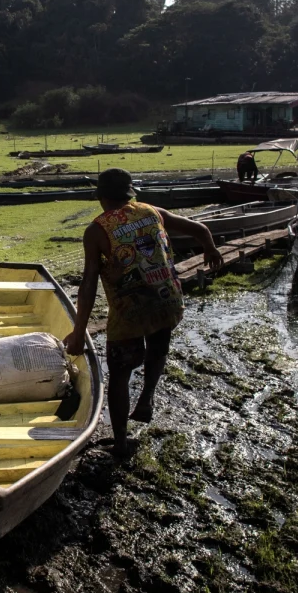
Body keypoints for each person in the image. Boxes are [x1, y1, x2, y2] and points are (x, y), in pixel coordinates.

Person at [63, 168, 223, 458]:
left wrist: (78, 332)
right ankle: (147, 398)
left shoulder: (97, 231)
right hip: (167, 300)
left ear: (100, 196)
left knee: (119, 374)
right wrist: (210, 250)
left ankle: (121, 444)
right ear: (130, 194)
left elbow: (88, 285)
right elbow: (200, 229)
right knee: (158, 349)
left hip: (131, 310)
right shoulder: (152, 211)